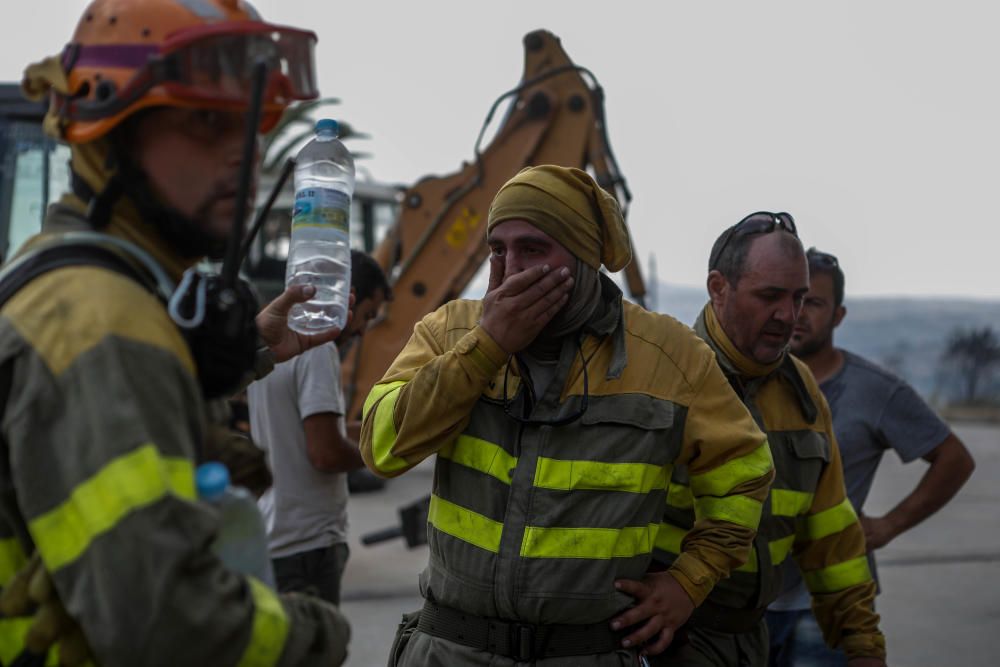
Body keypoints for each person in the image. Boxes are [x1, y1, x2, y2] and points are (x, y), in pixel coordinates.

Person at [0, 1, 353, 664]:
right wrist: (322, 631)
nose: (242, 155)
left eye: (250, 127)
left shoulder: (54, 271)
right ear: (110, 131)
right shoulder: (104, 323)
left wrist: (247, 352)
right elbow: (173, 625)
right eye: (203, 122)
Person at [361, 165, 776, 666]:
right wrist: (485, 348)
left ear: (582, 259)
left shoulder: (669, 356)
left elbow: (746, 472)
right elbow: (381, 448)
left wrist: (688, 582)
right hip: (452, 650)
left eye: (533, 249)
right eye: (498, 249)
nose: (511, 267)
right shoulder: (448, 331)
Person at [651, 213, 886, 667]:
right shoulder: (662, 376)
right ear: (718, 288)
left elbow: (833, 535)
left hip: (748, 641)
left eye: (799, 297)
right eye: (770, 296)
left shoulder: (802, 394)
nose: (788, 316)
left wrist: (862, 645)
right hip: (666, 641)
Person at [766, 247, 975, 666]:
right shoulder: (747, 380)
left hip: (827, 603)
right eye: (792, 299)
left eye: (814, 303)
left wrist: (889, 525)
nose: (799, 313)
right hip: (747, 599)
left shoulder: (874, 389)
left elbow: (955, 459)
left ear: (839, 316)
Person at [248, 250, 390, 605]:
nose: (362, 330)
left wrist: (390, 426)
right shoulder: (318, 348)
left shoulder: (275, 344)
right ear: (349, 295)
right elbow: (326, 453)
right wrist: (388, 455)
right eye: (368, 315)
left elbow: (320, 428)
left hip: (277, 535)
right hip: (308, 546)